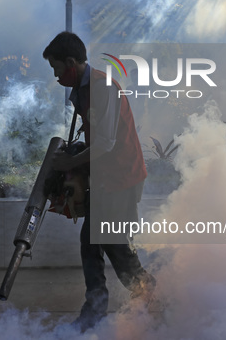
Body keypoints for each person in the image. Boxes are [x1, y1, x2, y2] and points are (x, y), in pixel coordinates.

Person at [43, 31, 156, 332]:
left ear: (71, 62)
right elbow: (95, 134)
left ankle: (149, 297)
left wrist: (69, 162)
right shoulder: (84, 88)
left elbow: (105, 143)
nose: (56, 76)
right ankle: (96, 308)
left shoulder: (102, 86)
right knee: (91, 243)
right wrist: (77, 152)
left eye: (57, 68)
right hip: (107, 177)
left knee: (115, 246)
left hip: (121, 176)